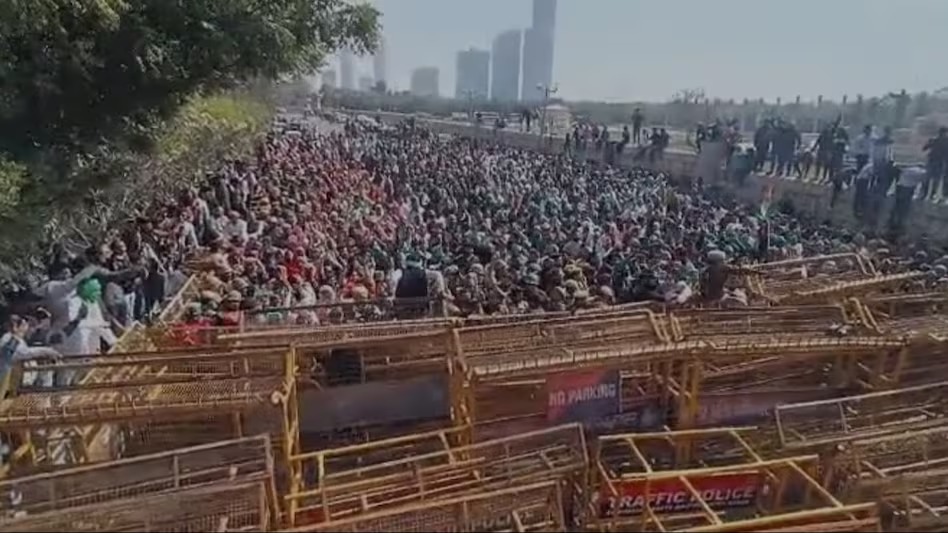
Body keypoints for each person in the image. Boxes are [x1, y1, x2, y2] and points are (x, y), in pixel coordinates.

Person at [889, 165, 925, 237]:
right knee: (903, 207)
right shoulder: (919, 172)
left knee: (898, 206)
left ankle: (894, 223)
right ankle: (898, 224)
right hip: (906, 188)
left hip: (903, 187)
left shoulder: (910, 170)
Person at [923, 127, 948, 199]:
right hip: (938, 162)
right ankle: (931, 194)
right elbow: (924, 148)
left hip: (934, 161)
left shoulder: (934, 140)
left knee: (929, 178)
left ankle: (927, 194)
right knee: (935, 179)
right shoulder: (942, 141)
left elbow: (924, 148)